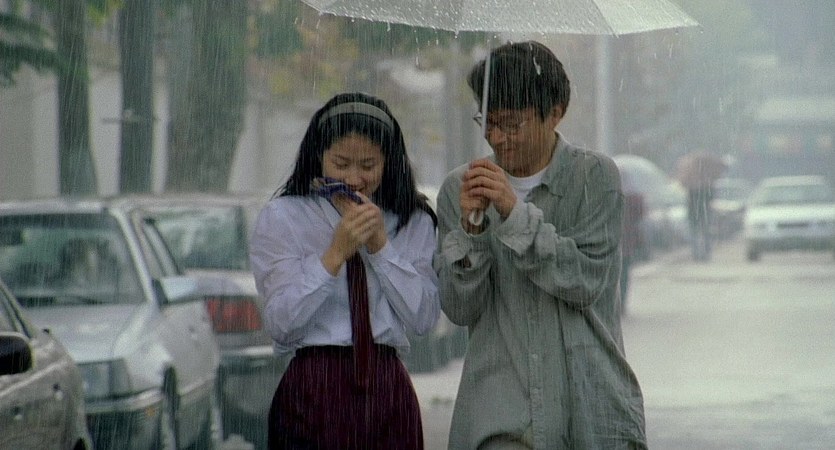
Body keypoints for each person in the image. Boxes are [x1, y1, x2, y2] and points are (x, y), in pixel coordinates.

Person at [434, 41, 646, 449]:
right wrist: (472, 229)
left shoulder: (594, 178)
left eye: (512, 124)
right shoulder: (460, 188)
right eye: (488, 122)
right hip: (501, 413)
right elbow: (459, 309)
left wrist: (514, 213)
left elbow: (584, 282)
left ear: (556, 113)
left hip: (589, 406)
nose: (498, 137)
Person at [249, 92, 440, 450]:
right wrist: (334, 255)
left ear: (388, 163)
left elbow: (423, 319)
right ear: (318, 157)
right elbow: (281, 324)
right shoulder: (284, 217)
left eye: (368, 165)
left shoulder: (412, 220)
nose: (354, 179)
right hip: (312, 386)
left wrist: (380, 246)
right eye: (340, 163)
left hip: (386, 388)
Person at [620, 190, 646, 316]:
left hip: (614, 244)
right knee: (623, 276)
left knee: (617, 276)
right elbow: (640, 215)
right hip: (625, 243)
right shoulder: (632, 197)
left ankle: (618, 304)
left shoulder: (607, 192)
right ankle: (621, 304)